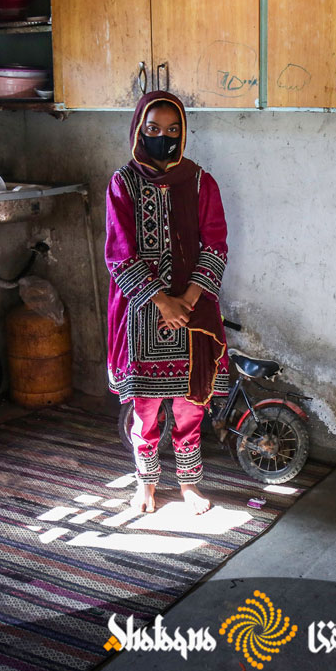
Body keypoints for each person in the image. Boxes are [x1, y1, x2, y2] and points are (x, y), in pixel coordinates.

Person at [105, 90, 230, 516]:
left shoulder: (199, 181)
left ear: (184, 132)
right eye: (154, 129)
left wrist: (187, 301)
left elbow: (215, 244)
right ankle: (146, 483)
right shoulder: (122, 183)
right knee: (145, 410)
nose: (164, 138)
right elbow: (119, 253)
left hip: (194, 312)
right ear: (139, 131)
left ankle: (189, 484)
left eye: (173, 130)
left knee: (190, 406)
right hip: (143, 312)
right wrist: (162, 302)